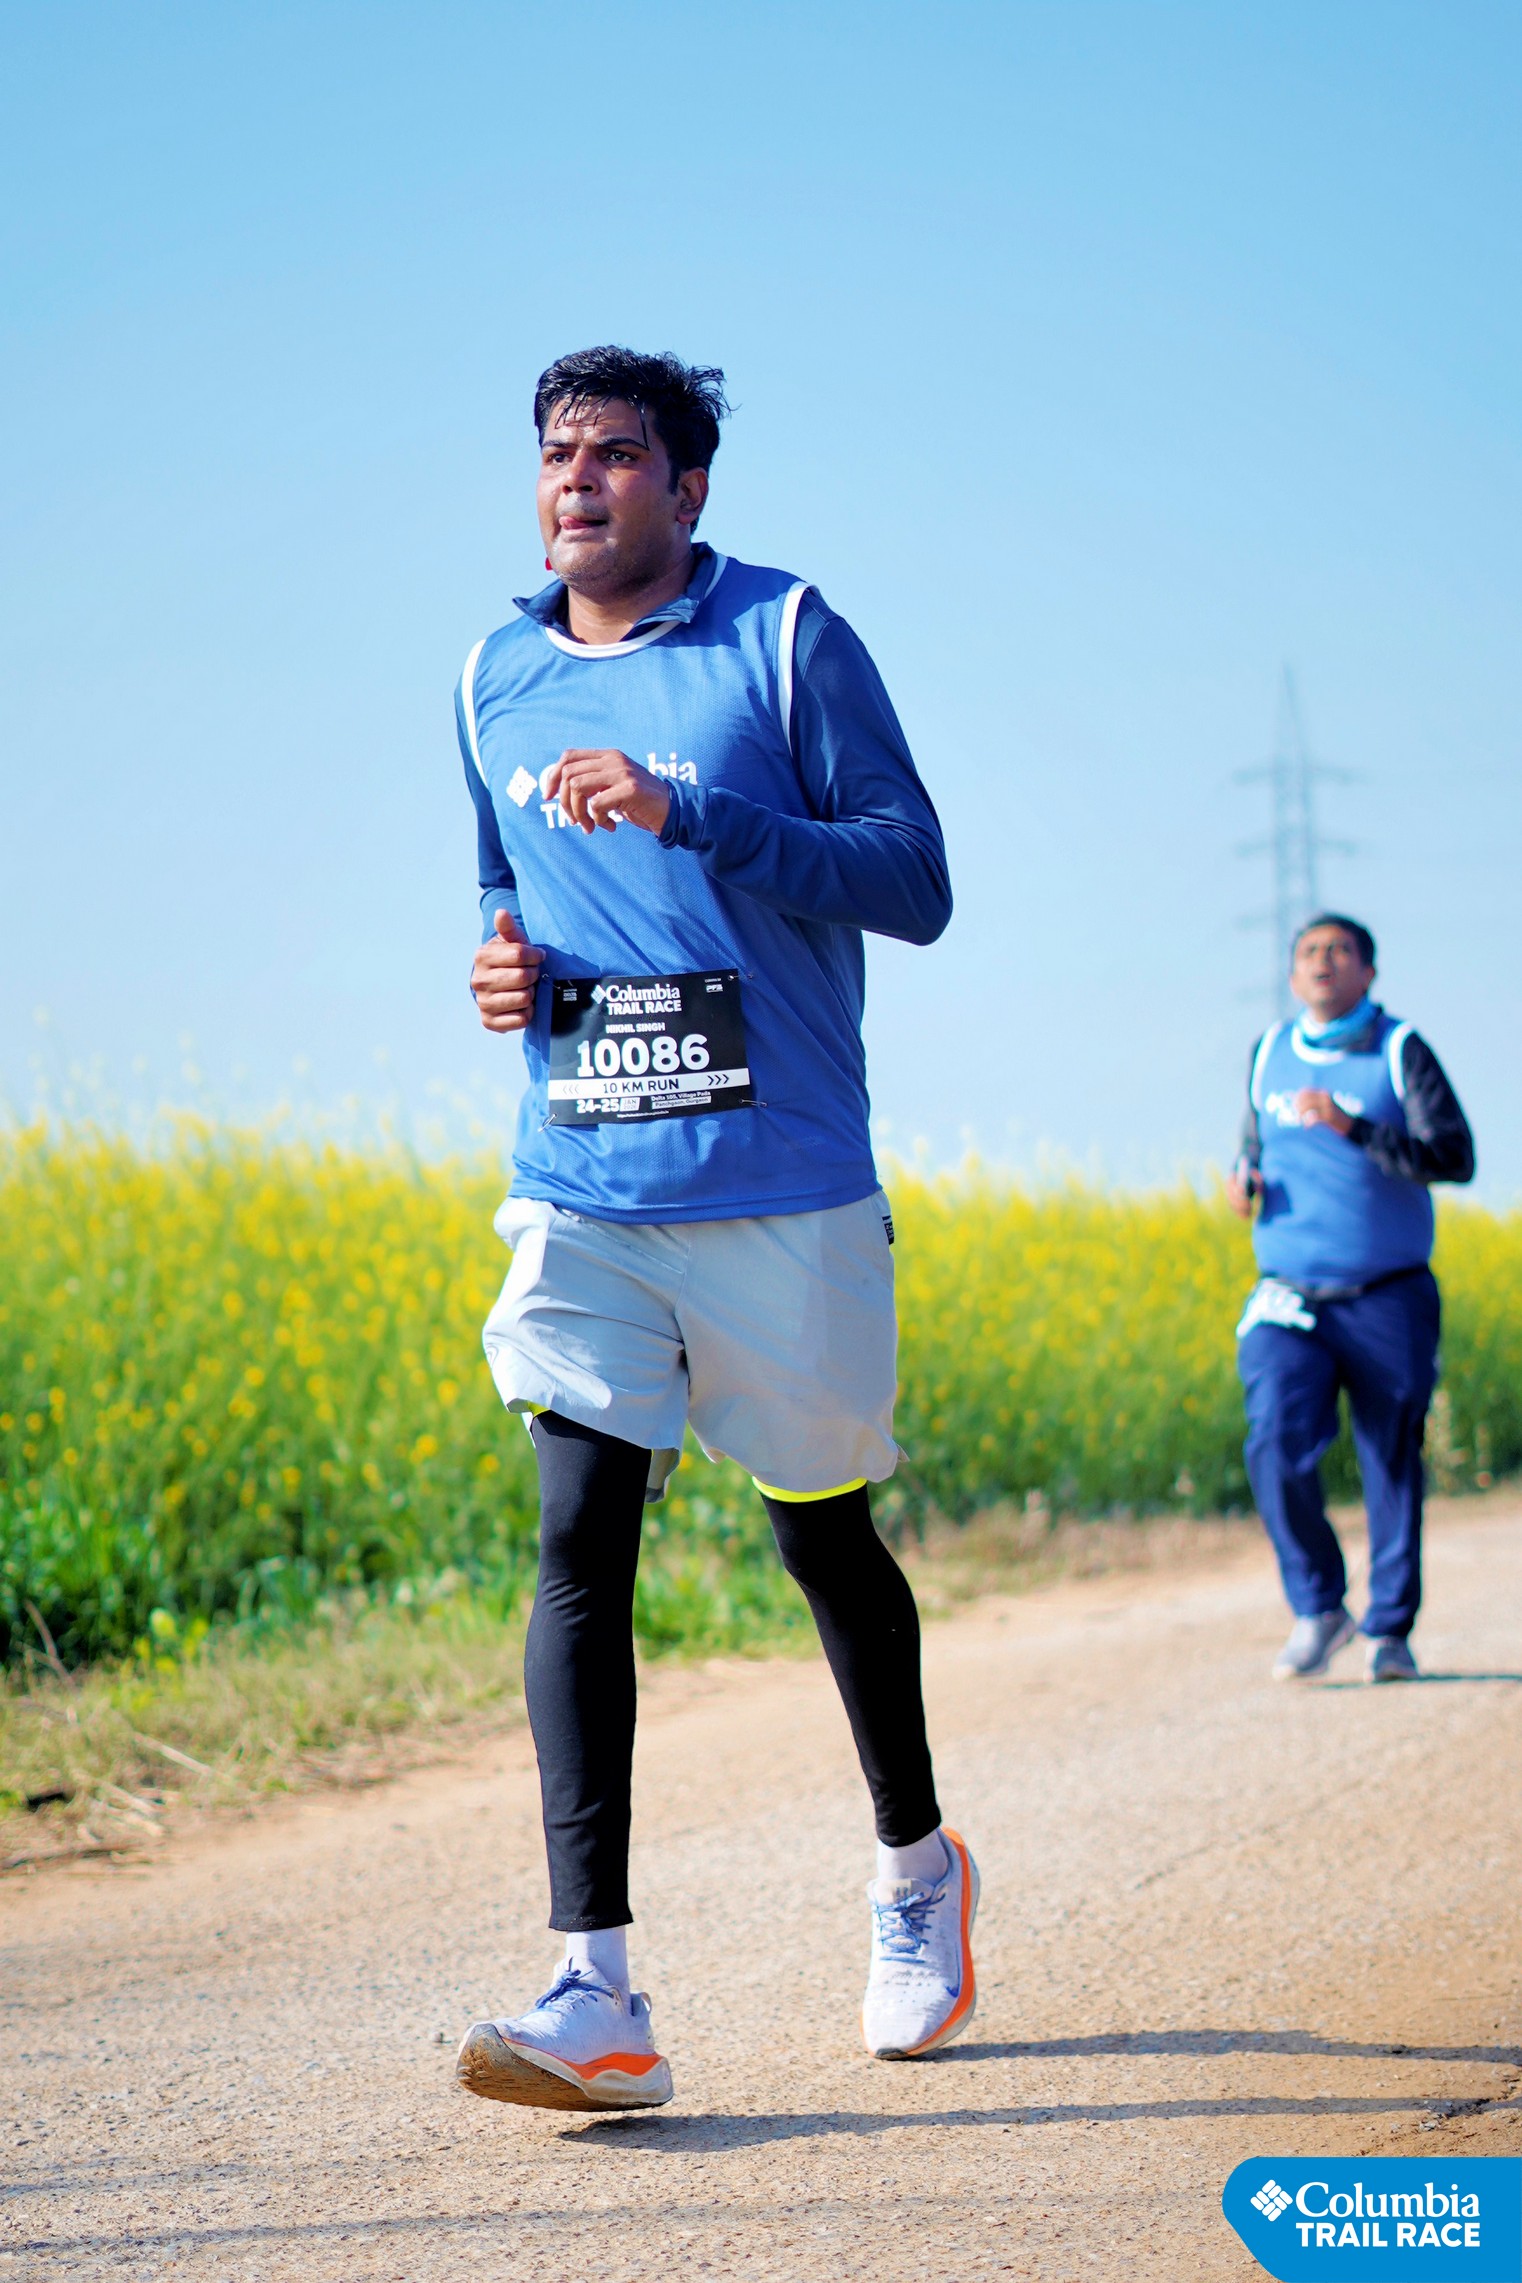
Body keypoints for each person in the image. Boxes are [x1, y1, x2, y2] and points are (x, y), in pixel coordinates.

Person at [449, 346, 975, 2113]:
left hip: (782, 1177)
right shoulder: (491, 673)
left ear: (687, 489)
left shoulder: (787, 634)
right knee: (577, 1536)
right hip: (584, 1177)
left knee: (821, 1536)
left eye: (616, 452)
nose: (576, 476)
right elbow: (501, 892)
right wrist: (503, 971)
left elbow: (912, 879)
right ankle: (594, 1986)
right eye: (556, 451)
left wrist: (694, 811)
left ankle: (915, 1867)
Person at [1227, 914, 1475, 1684]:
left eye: (1340, 950)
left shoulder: (1399, 1049)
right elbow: (1254, 1144)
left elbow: (1454, 1155)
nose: (1323, 961)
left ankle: (1389, 1629)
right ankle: (1318, 1606)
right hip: (1288, 1294)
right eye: (1309, 951)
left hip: (1387, 1294)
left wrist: (1354, 1126)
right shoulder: (1269, 1050)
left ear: (1369, 971)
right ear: (1293, 974)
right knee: (1273, 1439)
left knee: (1390, 1458)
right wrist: (1243, 1179)